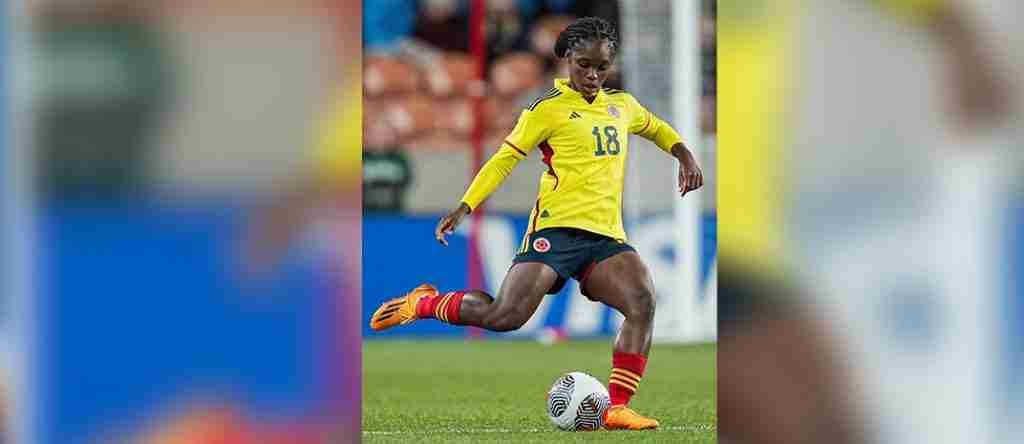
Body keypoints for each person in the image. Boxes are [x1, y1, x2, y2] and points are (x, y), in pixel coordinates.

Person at [368, 17, 703, 431]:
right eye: (584, 65)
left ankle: (617, 407)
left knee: (642, 302)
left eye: (602, 67)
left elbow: (657, 129)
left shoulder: (623, 105)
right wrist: (465, 206)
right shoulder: (547, 109)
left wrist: (684, 155)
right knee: (505, 317)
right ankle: (424, 303)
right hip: (554, 231)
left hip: (605, 237)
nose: (593, 75)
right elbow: (504, 159)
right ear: (567, 59)